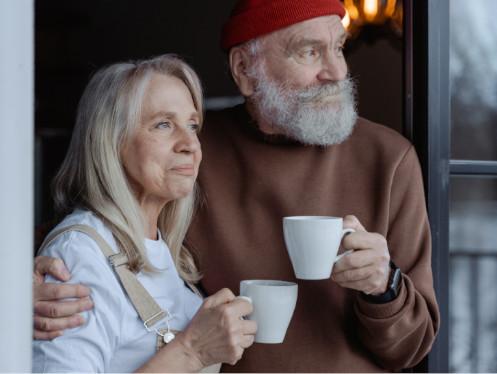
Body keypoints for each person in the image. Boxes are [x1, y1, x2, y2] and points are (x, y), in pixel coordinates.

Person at [33, 0, 440, 372]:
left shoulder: (388, 159)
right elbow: (94, 233)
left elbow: (411, 348)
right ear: (245, 69)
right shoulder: (189, 156)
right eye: (309, 51)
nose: (336, 71)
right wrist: (21, 284)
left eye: (338, 47)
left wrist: (383, 287)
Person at [32, 54, 256, 373]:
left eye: (192, 125)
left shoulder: (161, 248)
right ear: (112, 141)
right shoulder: (80, 257)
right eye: (163, 124)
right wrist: (191, 351)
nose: (190, 144)